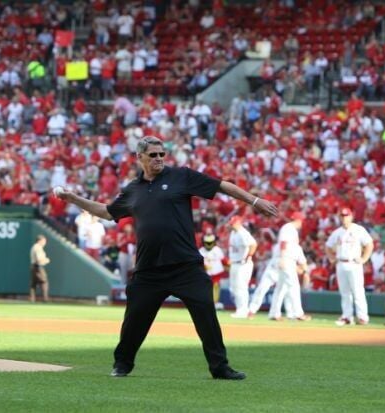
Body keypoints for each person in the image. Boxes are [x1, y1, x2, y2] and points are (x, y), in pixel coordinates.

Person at [53, 136, 278, 380]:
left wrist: (254, 200)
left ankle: (220, 367)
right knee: (135, 321)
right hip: (149, 270)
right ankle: (122, 364)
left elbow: (221, 185)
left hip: (186, 266)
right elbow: (107, 212)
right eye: (153, 155)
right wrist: (73, 199)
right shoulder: (133, 190)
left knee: (206, 316)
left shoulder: (181, 176)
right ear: (140, 158)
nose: (159, 158)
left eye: (162, 154)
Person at [325, 207, 374, 326]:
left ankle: (362, 317)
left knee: (358, 291)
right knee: (344, 292)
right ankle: (347, 316)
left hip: (354, 263)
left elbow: (369, 244)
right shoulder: (337, 232)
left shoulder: (358, 230)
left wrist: (364, 259)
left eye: (346, 216)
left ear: (351, 216)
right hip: (341, 262)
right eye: (342, 216)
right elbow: (328, 246)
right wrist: (331, 258)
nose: (344, 218)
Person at [268, 213, 312, 321]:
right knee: (294, 286)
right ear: (298, 220)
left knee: (280, 288)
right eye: (301, 220)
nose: (301, 223)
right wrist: (283, 258)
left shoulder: (291, 229)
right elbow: (283, 243)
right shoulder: (288, 228)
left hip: (287, 259)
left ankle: (274, 313)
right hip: (286, 259)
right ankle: (298, 313)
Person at [227, 216, 257, 318]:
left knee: (241, 287)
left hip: (243, 264)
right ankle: (241, 309)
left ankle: (243, 310)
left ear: (239, 223)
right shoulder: (233, 233)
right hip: (235, 263)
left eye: (233, 223)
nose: (231, 224)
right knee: (234, 288)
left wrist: (248, 256)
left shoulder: (243, 233)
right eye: (231, 223)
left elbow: (253, 244)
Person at [198, 234, 226, 310]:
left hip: (216, 272)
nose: (209, 244)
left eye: (211, 242)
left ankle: (215, 303)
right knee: (205, 288)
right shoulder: (201, 251)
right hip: (205, 273)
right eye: (207, 242)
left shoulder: (217, 250)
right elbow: (198, 263)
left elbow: (223, 260)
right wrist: (203, 266)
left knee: (216, 287)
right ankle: (205, 302)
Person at [30, 234, 51, 303]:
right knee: (44, 282)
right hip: (38, 267)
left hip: (33, 266)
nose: (45, 243)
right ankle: (45, 299)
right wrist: (46, 260)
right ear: (40, 241)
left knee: (34, 284)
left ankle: (32, 299)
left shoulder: (34, 247)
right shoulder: (37, 247)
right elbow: (39, 259)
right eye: (44, 241)